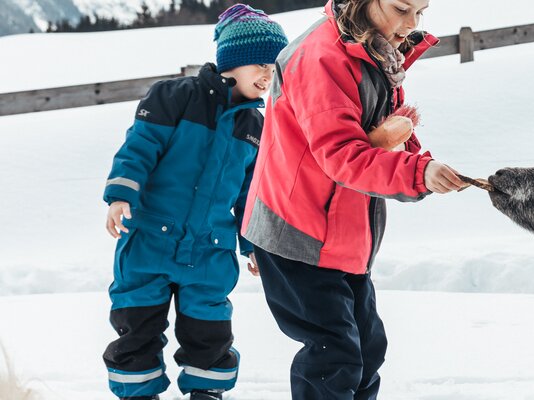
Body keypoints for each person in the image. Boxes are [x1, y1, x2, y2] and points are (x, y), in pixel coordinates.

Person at [239, 0, 467, 398]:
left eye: (420, 11)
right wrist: (417, 173)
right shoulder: (320, 58)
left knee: (366, 349)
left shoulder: (374, 49)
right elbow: (343, 155)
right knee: (334, 355)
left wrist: (415, 160)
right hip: (299, 232)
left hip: (344, 232)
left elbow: (377, 134)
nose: (411, 23)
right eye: (401, 8)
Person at [99, 5, 287, 400]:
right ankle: (138, 393)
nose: (268, 74)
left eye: (274, 67)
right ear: (232, 60)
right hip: (149, 239)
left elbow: (250, 194)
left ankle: (207, 392)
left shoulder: (256, 126)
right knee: (137, 324)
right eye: (260, 63)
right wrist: (120, 196)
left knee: (209, 330)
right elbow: (139, 149)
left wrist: (253, 244)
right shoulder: (174, 97)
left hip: (209, 250)